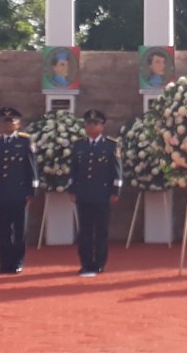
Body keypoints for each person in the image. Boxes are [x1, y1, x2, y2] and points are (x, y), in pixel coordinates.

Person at [69, 109, 122, 277]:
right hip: (83, 194)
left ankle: (99, 263)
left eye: (95, 124)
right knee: (84, 231)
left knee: (100, 231)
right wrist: (72, 189)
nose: (91, 127)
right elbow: (73, 171)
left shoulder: (110, 145)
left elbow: (117, 171)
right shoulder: (79, 145)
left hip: (102, 194)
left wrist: (116, 190)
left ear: (102, 126)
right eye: (88, 124)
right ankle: (86, 263)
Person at [0, 107, 38, 275]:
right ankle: (4, 263)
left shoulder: (25, 141)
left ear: (18, 124)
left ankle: (17, 262)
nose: (8, 125)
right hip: (0, 193)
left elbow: (32, 167)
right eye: (5, 122)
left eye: (11, 122)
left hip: (19, 193)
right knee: (2, 231)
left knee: (19, 231)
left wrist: (32, 191)